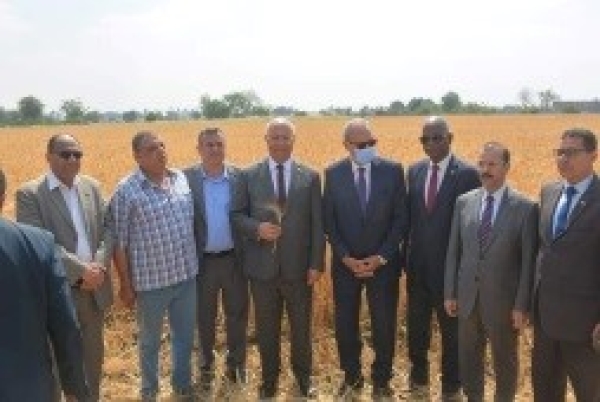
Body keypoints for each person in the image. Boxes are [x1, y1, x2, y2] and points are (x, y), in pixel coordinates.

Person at [231, 117, 325, 399]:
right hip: (262, 271)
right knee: (266, 330)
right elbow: (236, 216)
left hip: (299, 270)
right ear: (266, 140)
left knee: (301, 330)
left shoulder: (310, 176)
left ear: (293, 140)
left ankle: (303, 378)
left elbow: (317, 225)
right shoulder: (248, 175)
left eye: (286, 137)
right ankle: (269, 380)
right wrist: (256, 228)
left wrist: (315, 264)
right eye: (275, 137)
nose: (281, 142)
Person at [15, 133, 113, 401]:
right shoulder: (30, 194)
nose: (72, 159)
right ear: (48, 157)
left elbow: (108, 229)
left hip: (95, 290)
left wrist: (100, 266)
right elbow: (39, 243)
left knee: (93, 361)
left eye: (77, 154)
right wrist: (82, 271)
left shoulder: (92, 187)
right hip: (58, 292)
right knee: (58, 365)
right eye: (65, 154)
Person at [444, 142, 537, 402]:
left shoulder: (526, 207)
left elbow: (529, 262)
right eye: (481, 164)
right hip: (467, 298)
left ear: (507, 167)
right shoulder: (464, 203)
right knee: (468, 356)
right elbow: (454, 251)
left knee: (504, 360)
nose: (485, 170)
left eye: (492, 164)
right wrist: (450, 292)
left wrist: (521, 305)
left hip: (504, 303)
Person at [110, 131, 199, 400]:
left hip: (185, 277)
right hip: (151, 284)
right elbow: (119, 242)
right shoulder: (127, 190)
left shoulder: (180, 179)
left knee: (184, 336)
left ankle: (182, 385)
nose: (160, 151)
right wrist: (126, 284)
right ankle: (149, 390)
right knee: (150, 342)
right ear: (137, 156)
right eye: (151, 149)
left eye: (162, 145)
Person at [323, 118, 407, 398]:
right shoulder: (333, 174)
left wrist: (381, 257)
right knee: (346, 325)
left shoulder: (393, 171)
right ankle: (352, 376)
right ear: (346, 145)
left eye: (373, 143)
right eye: (362, 145)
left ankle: (382, 378)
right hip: (345, 266)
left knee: (384, 325)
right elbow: (329, 222)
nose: (369, 148)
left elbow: (400, 219)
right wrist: (346, 257)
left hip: (383, 265)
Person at [405, 116, 480, 400]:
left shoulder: (468, 174)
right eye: (425, 139)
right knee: (417, 331)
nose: (431, 143)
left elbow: (470, 227)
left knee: (451, 335)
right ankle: (419, 380)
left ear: (451, 137)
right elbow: (410, 220)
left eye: (437, 137)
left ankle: (451, 388)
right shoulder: (414, 171)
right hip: (418, 269)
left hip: (451, 273)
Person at [0, 167, 89, 402]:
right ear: (2, 196)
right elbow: (65, 325)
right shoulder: (39, 244)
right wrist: (75, 388)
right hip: (28, 388)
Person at [532, 128, 600, 402]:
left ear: (594, 155)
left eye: (571, 152)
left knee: (589, 392)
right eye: (559, 152)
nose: (563, 158)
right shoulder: (549, 192)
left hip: (585, 324)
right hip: (546, 318)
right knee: (545, 390)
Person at [183, 128, 248, 390]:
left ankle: (237, 366)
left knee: (237, 315)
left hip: (234, 260)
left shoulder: (239, 177)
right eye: (209, 145)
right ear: (198, 149)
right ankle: (206, 366)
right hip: (202, 262)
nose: (214, 149)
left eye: (219, 144)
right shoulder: (184, 178)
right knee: (204, 317)